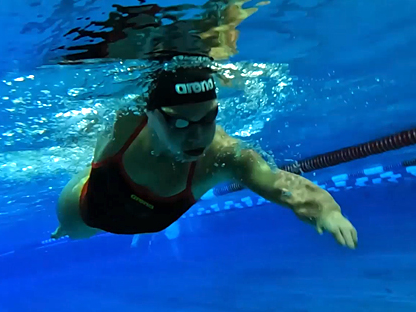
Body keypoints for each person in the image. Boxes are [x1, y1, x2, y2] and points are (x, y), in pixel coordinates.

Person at [51, 60, 358, 249]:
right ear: (150, 114)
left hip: (142, 213)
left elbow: (277, 181)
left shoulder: (225, 156)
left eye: (208, 118)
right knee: (75, 233)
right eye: (179, 122)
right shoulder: (125, 121)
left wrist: (326, 208)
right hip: (85, 210)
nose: (197, 135)